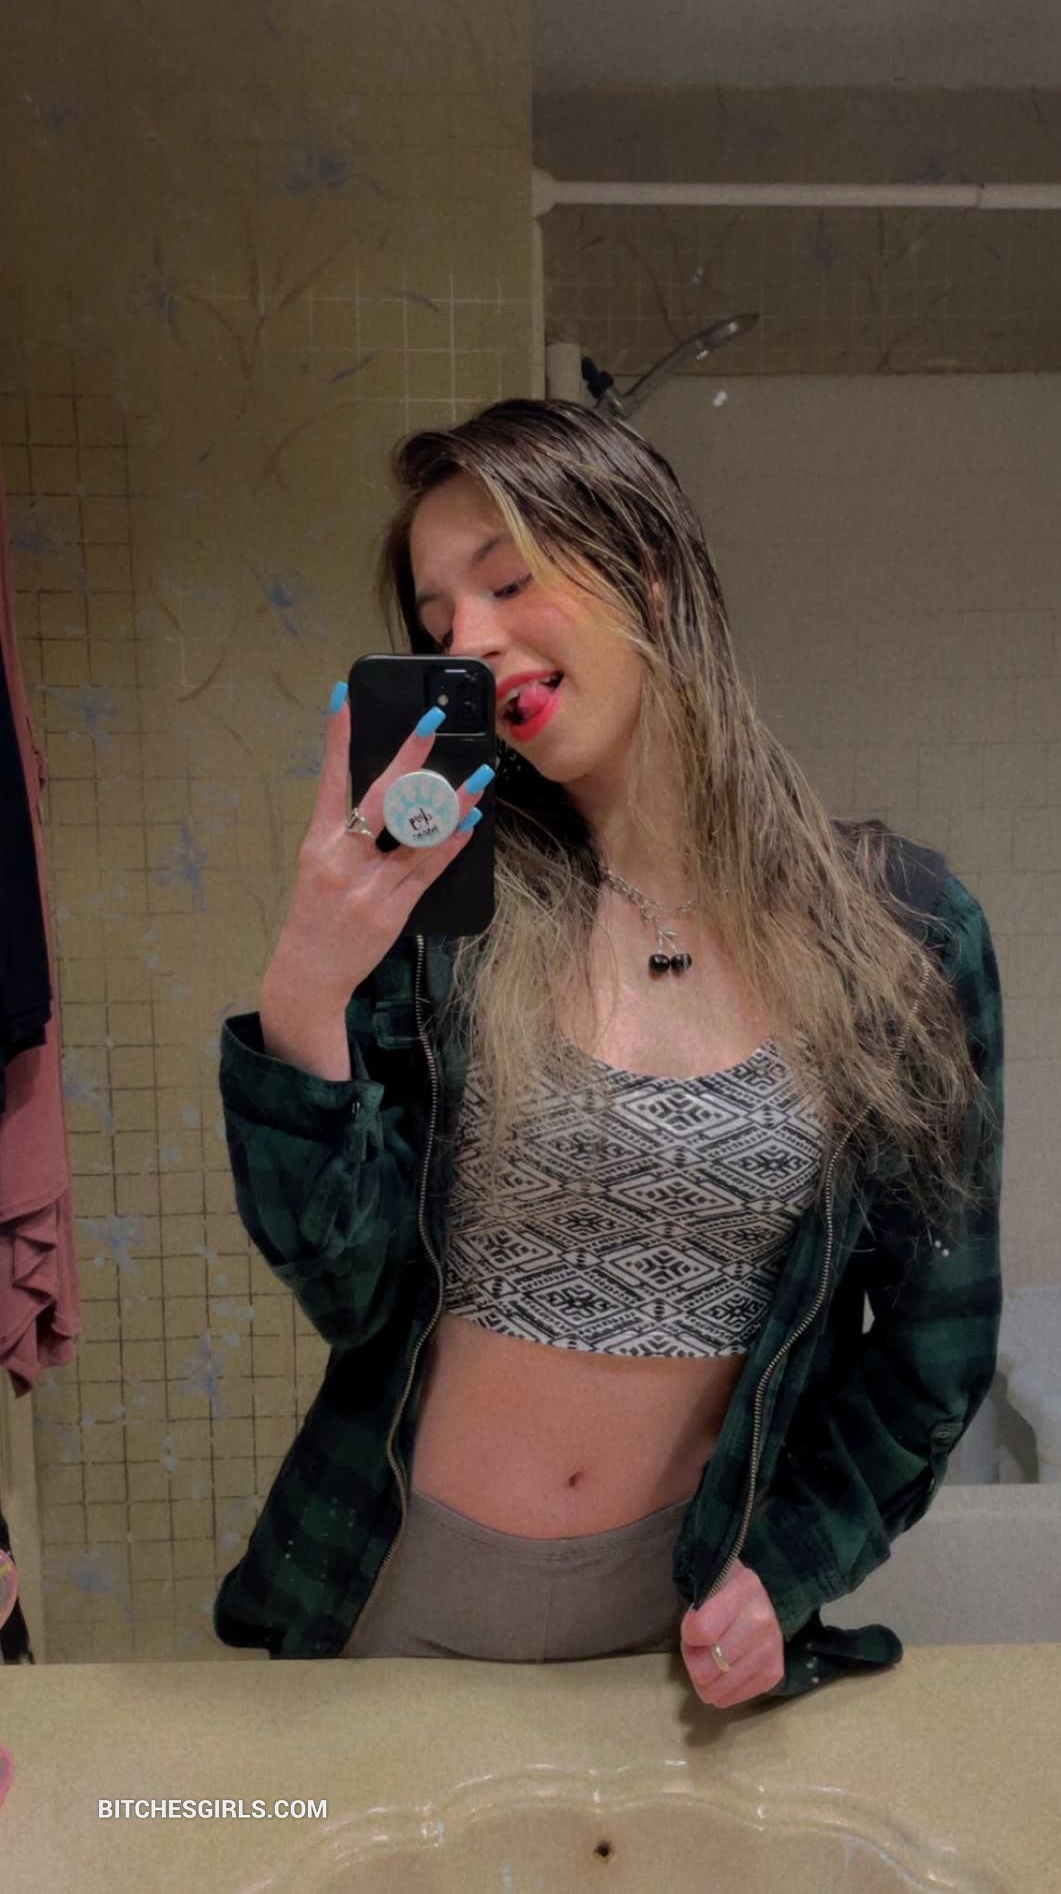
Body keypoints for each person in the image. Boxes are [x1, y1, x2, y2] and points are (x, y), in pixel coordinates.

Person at [214, 400, 1003, 1705]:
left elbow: (934, 1344)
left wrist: (783, 1574)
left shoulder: (901, 934)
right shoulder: (446, 923)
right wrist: (306, 990)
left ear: (651, 569)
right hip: (395, 1591)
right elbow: (350, 1293)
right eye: (436, 622)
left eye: (508, 580)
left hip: (679, 1633)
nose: (470, 643)